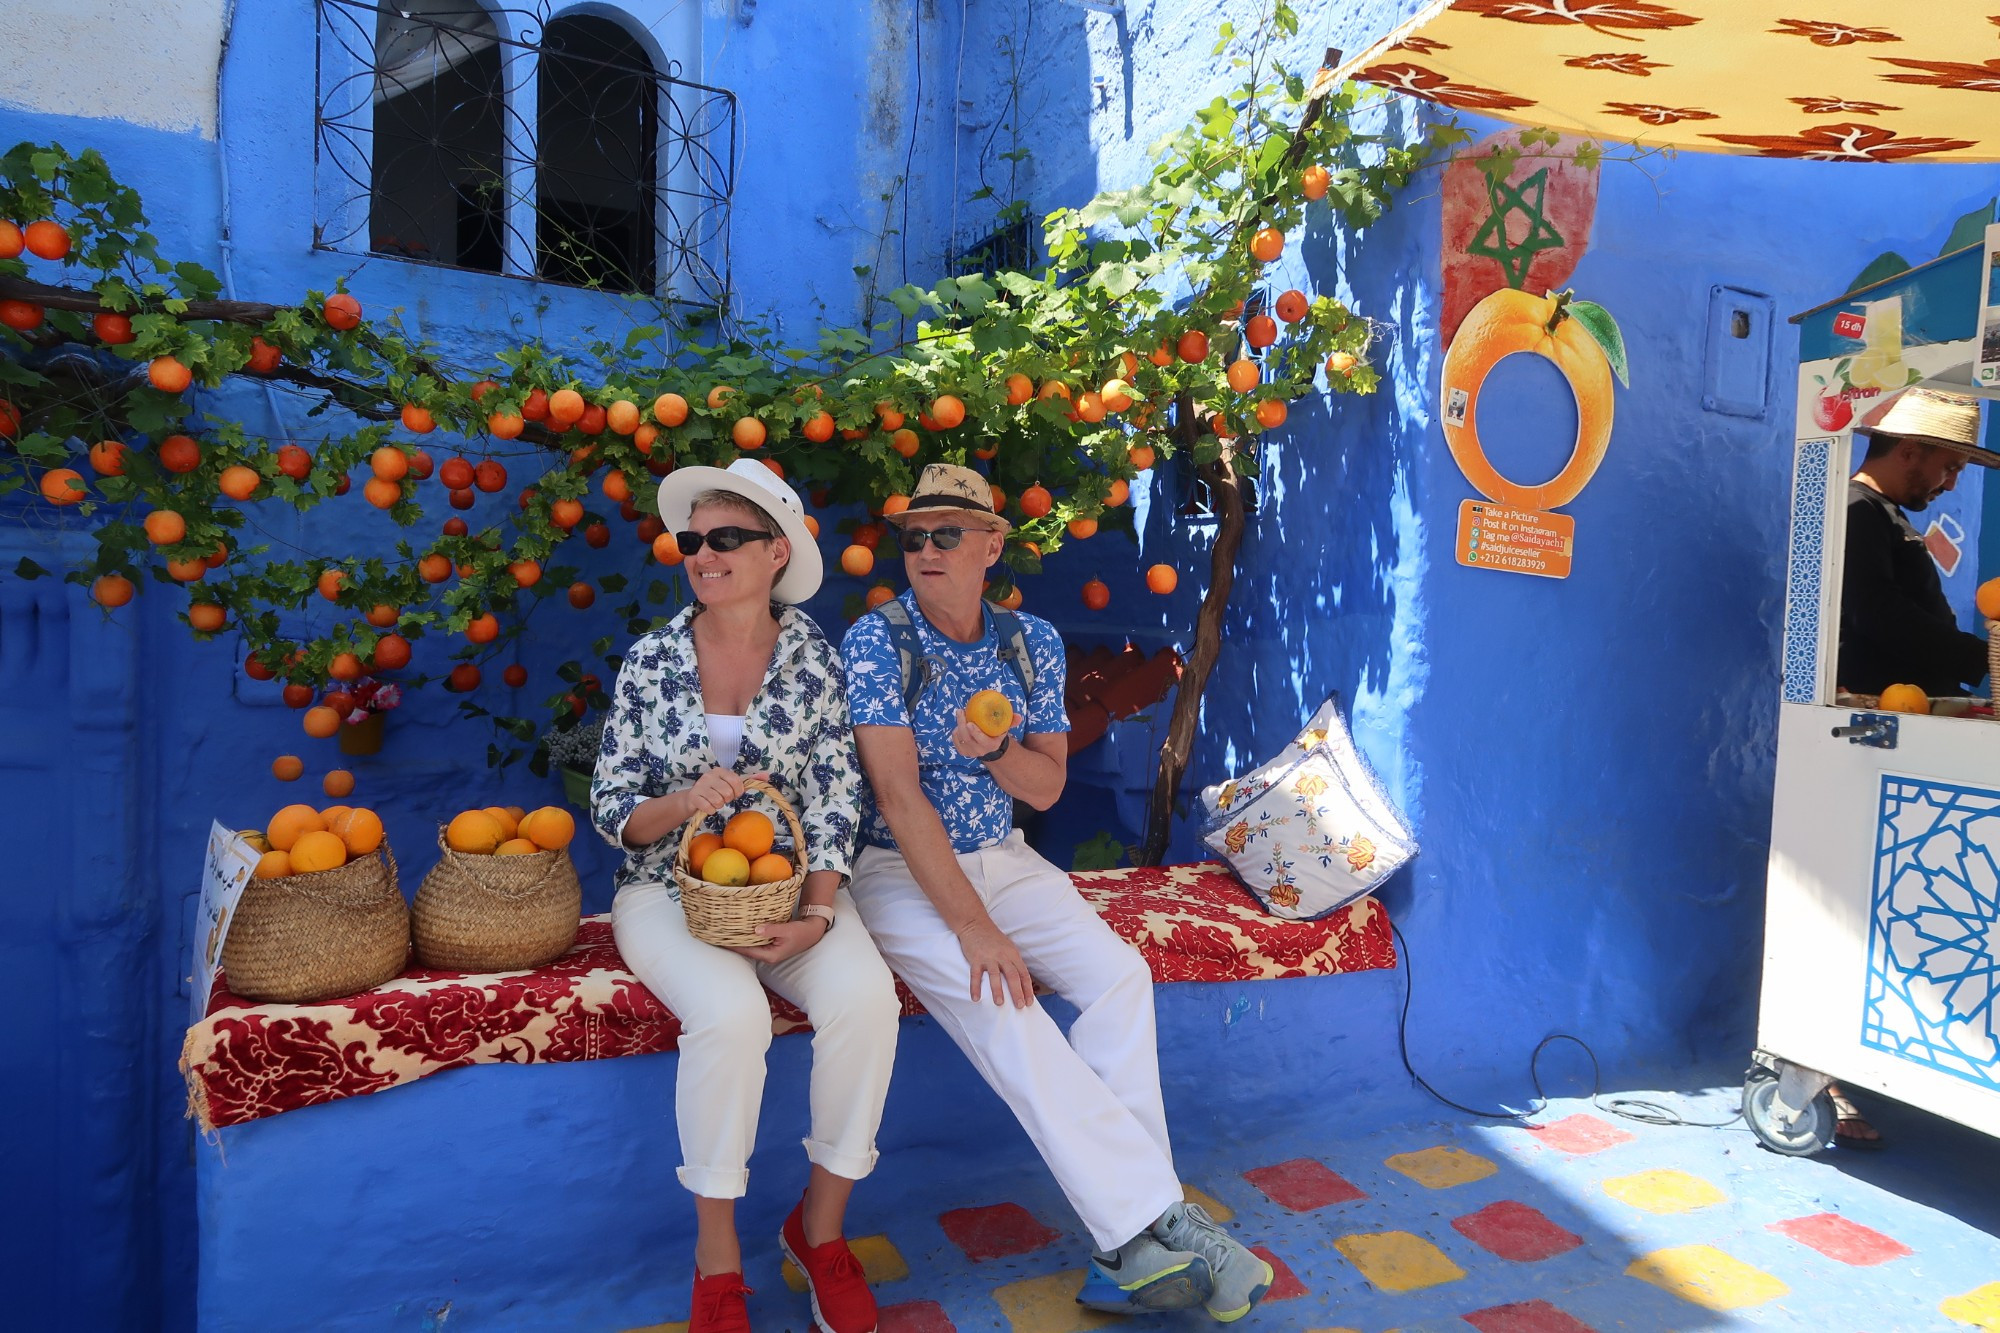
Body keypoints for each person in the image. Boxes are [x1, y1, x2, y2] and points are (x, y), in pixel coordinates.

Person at [840, 464, 1272, 1322]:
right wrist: (972, 927)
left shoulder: (1029, 640)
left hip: (1004, 852)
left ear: (992, 546)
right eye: (914, 535)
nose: (925, 549)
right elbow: (896, 797)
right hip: (898, 867)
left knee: (1119, 977)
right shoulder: (875, 642)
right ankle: (1159, 1222)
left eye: (947, 533)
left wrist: (991, 752)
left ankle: (1127, 1243)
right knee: (1007, 1005)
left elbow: (1041, 787)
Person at [594, 458, 900, 1333]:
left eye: (725, 538)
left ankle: (819, 1230)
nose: (702, 553)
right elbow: (613, 801)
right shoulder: (653, 659)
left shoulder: (818, 659)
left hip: (788, 886)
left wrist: (816, 911)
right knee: (730, 1018)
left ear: (776, 552)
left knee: (866, 1001)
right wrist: (682, 803)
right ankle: (718, 1260)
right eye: (692, 540)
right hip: (663, 890)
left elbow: (842, 795)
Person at [1839, 386, 1994, 699]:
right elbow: (1876, 610)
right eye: (1950, 468)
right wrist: (1986, 656)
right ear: (1908, 452)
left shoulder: (1882, 511)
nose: (1951, 485)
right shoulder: (1858, 509)